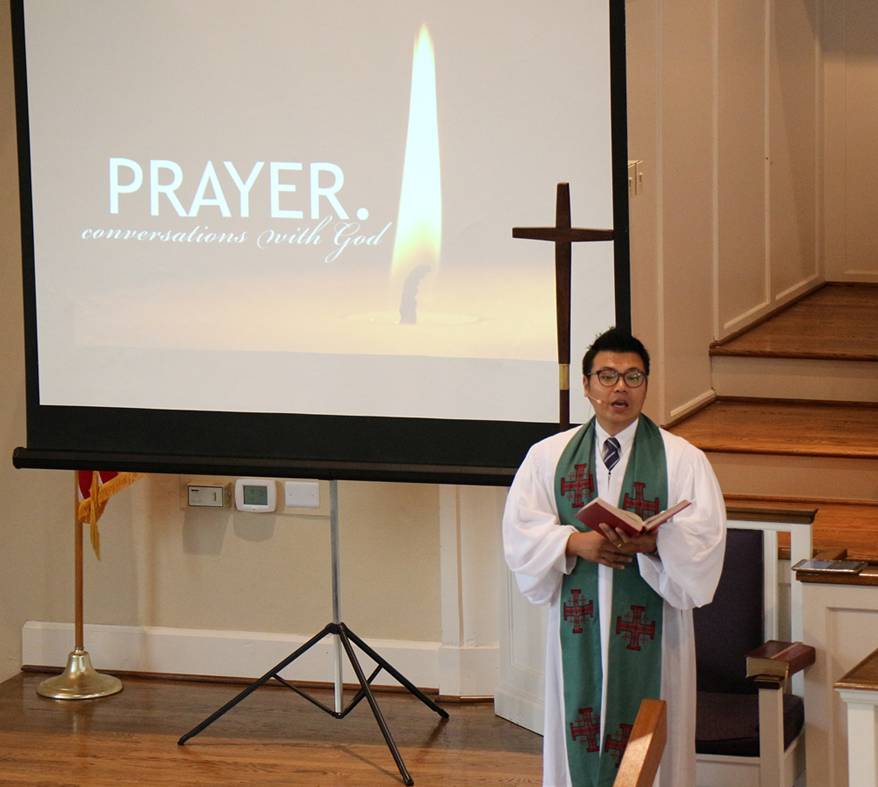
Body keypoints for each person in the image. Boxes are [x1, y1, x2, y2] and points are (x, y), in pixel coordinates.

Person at [502, 327, 726, 787]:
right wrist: (572, 543)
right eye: (607, 376)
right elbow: (521, 532)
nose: (619, 387)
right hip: (577, 625)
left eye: (632, 376)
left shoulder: (682, 459)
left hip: (655, 632)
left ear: (646, 384)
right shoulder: (547, 457)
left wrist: (656, 544)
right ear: (586, 385)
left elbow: (705, 539)